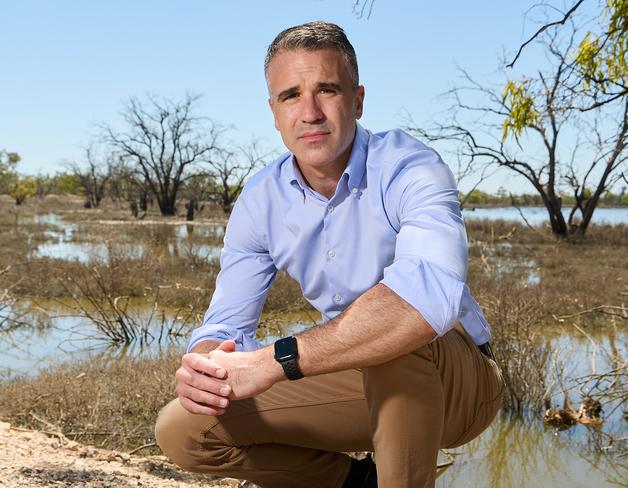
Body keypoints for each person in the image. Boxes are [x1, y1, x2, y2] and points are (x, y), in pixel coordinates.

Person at [155, 21, 504, 488]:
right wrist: (205, 365)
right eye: (290, 96)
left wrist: (271, 362)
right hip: (352, 376)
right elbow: (226, 324)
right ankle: (356, 483)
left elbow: (425, 299)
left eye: (327, 90)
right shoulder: (260, 198)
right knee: (186, 429)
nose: (310, 112)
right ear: (273, 112)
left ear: (357, 100)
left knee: (394, 339)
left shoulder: (409, 167)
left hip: (460, 384)